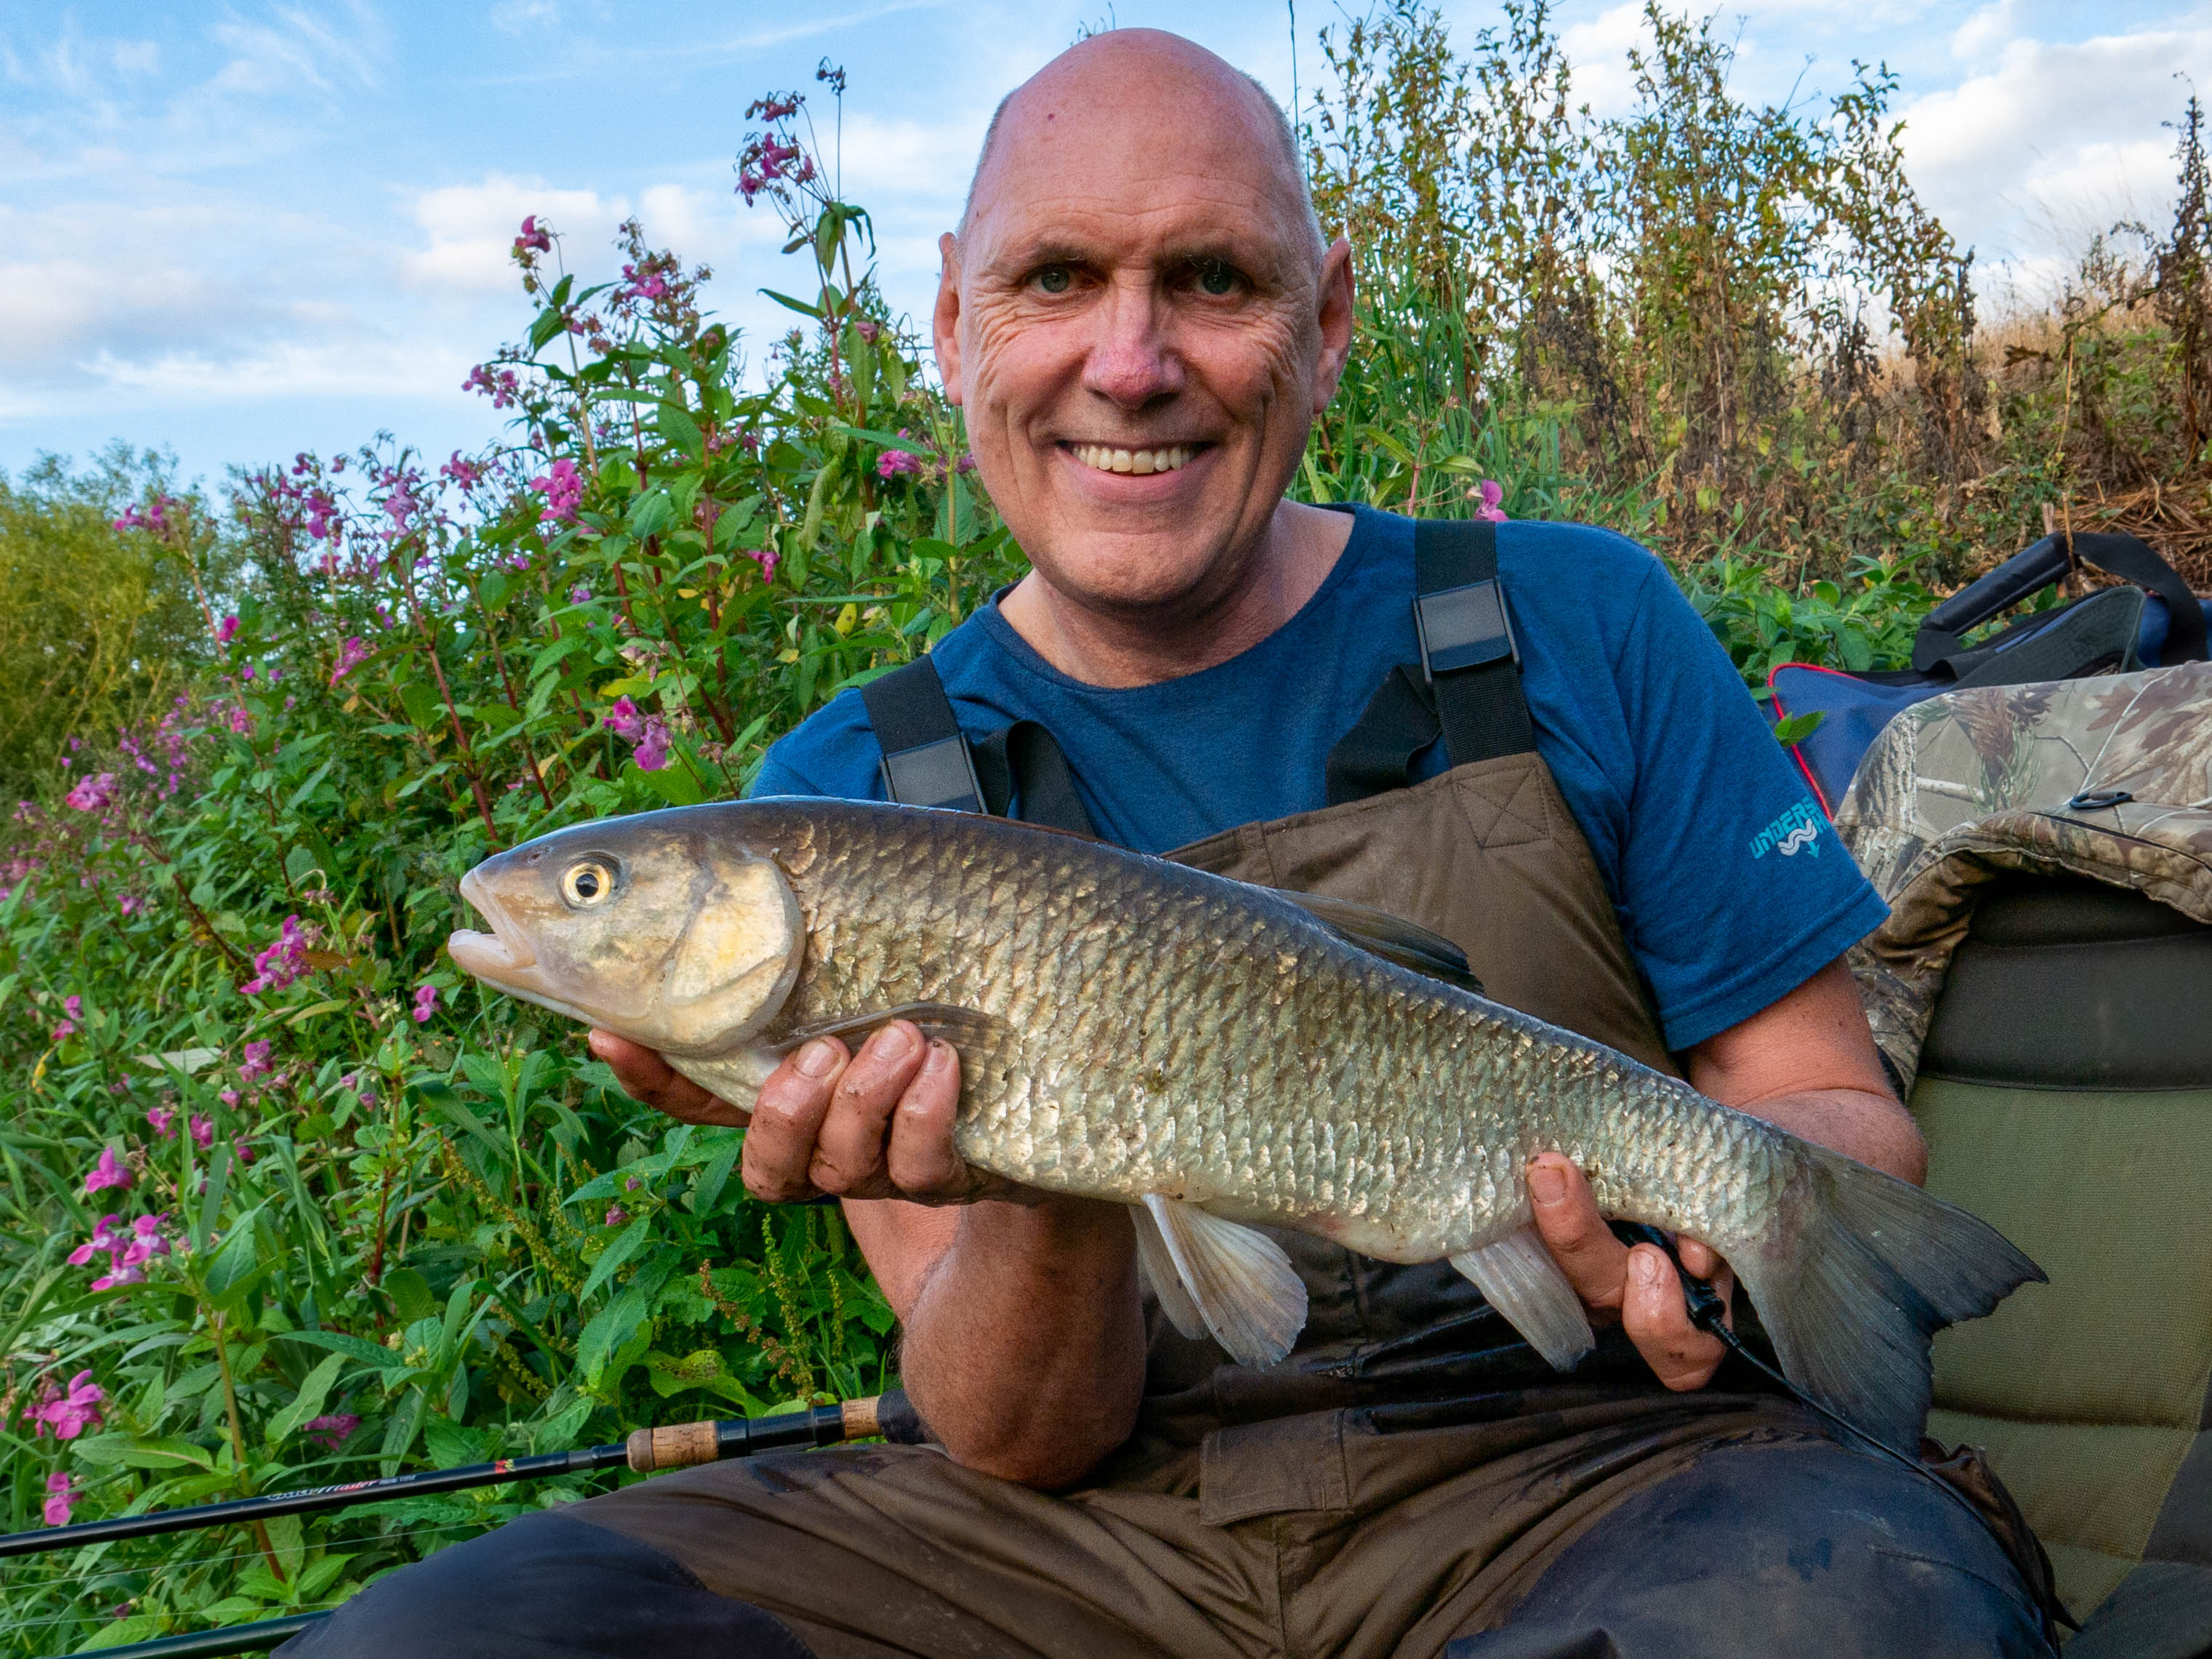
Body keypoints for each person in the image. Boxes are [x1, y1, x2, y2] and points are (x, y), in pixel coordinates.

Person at [290, 28, 2052, 1659]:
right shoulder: (847, 785)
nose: (1128, 367)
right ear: (953, 329)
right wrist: (1043, 1162)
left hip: (1592, 1479)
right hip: (1082, 1548)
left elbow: (1837, 1124)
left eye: (1210, 280)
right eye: (1053, 279)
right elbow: (1013, 1433)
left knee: (1850, 1611)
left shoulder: (1574, 618)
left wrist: (1703, 1241)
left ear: (1327, 317)